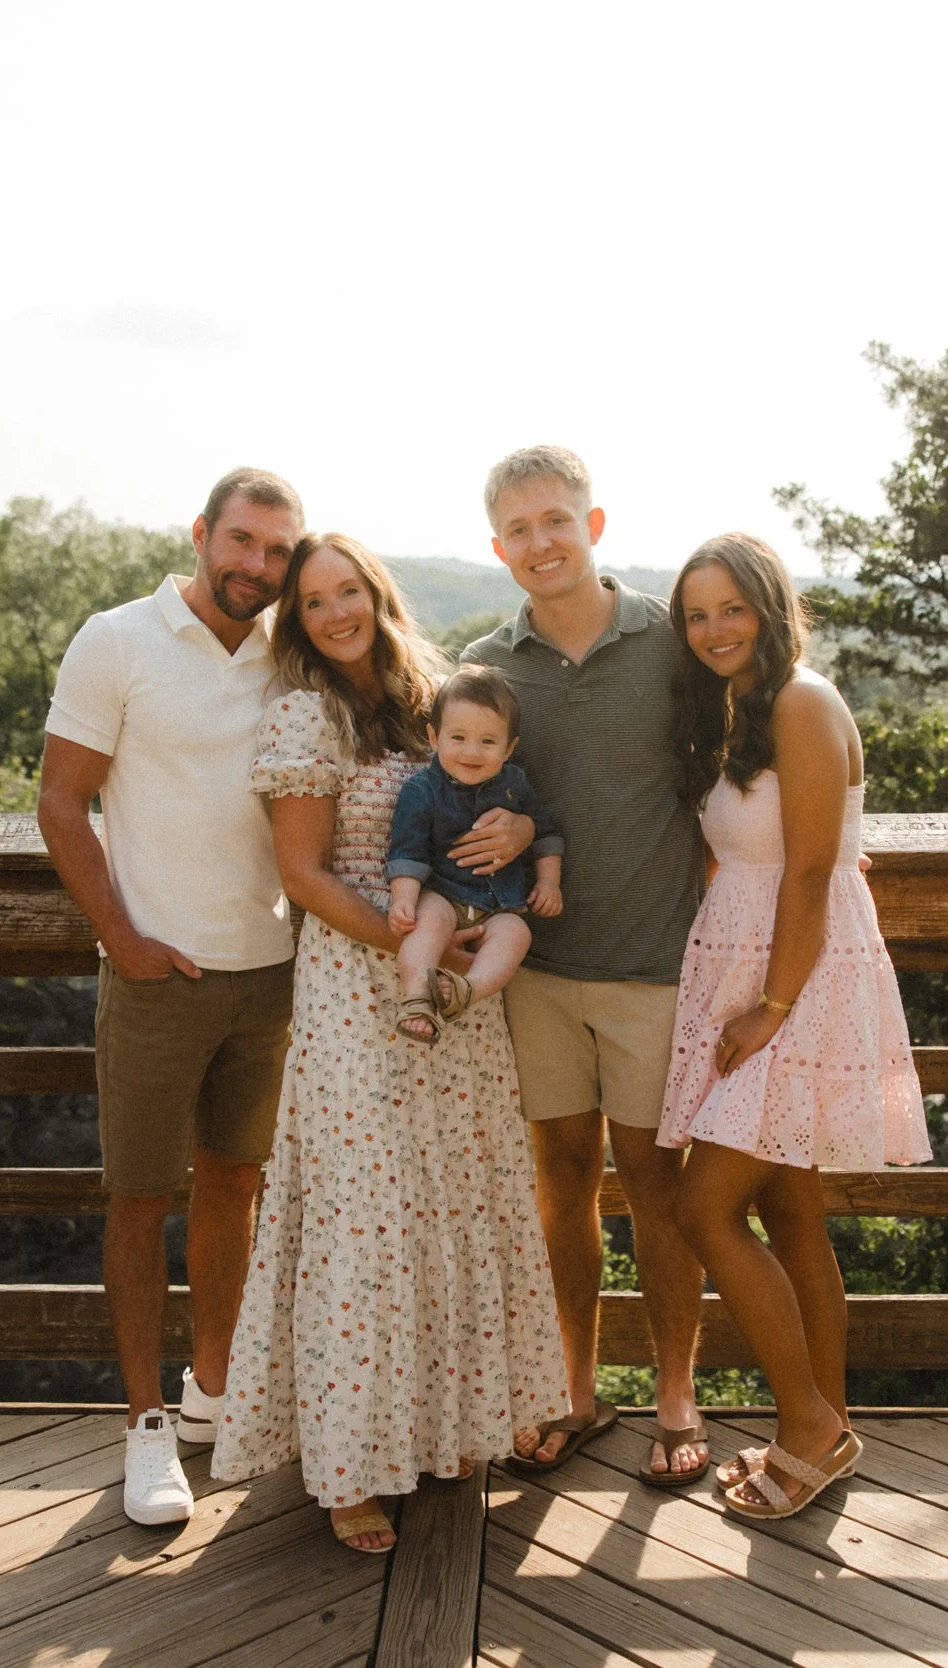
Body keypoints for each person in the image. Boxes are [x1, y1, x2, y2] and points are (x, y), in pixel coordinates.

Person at [212, 531, 566, 1554]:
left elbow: (496, 794)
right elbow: (305, 876)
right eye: (313, 599)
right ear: (297, 617)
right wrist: (413, 945)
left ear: (376, 592)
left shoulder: (435, 698)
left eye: (349, 590)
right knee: (367, 1222)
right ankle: (347, 1467)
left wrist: (505, 842)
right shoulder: (303, 717)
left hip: (452, 993)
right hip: (357, 991)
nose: (336, 612)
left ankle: (445, 1427)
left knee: (451, 1198)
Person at [35, 467, 304, 1527]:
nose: (256, 567)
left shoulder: (295, 656)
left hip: (272, 976)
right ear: (200, 534)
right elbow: (62, 803)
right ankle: (147, 1426)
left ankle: (215, 1395)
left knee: (234, 1189)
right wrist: (123, 940)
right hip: (157, 979)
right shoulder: (118, 641)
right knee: (140, 1201)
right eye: (242, 542)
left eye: (278, 551)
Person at [657, 532, 930, 1521]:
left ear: (770, 609)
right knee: (793, 1212)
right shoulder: (733, 710)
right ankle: (827, 1428)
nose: (714, 629)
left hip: (792, 979)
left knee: (703, 1208)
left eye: (732, 608)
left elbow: (812, 869)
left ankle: (808, 1429)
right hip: (751, 961)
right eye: (696, 614)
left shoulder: (803, 701)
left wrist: (769, 1007)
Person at [459, 445, 712, 1487]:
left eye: (555, 520)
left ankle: (676, 1398)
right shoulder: (486, 663)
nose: (539, 542)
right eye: (518, 529)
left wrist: (826, 841)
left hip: (657, 968)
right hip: (538, 976)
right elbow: (455, 796)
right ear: (497, 546)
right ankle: (574, 1389)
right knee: (558, 1191)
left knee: (657, 1189)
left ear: (593, 525)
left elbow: (748, 754)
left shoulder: (671, 644)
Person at [385, 664, 563, 1045]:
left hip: (500, 906)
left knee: (517, 934)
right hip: (443, 894)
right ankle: (417, 994)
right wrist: (403, 898)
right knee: (426, 924)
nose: (471, 752)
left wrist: (549, 882)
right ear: (433, 736)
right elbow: (408, 849)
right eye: (459, 737)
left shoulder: (516, 785)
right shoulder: (422, 789)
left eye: (487, 742)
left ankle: (469, 989)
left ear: (510, 748)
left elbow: (546, 833)